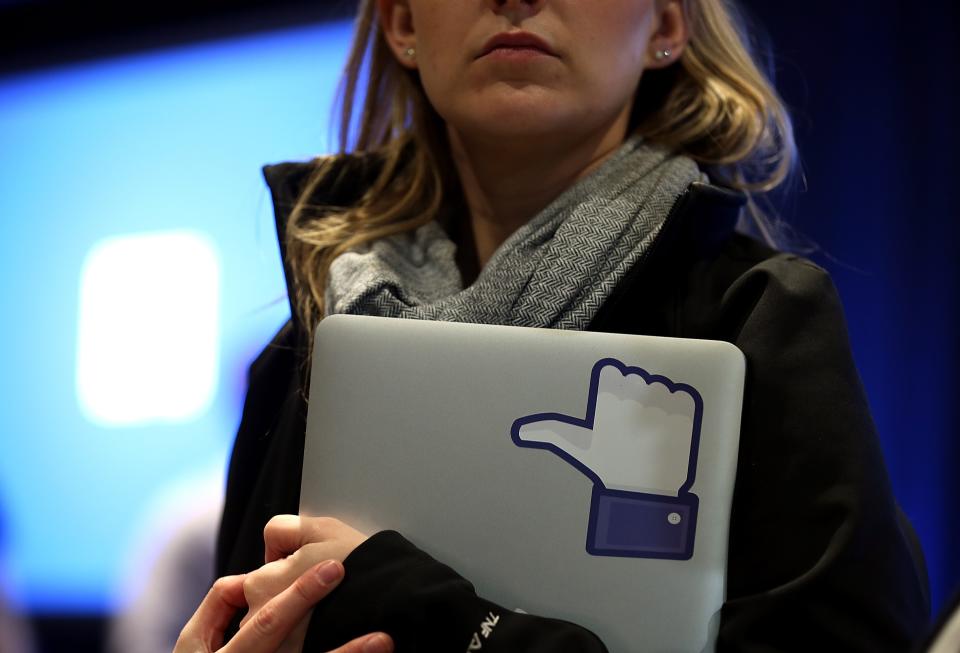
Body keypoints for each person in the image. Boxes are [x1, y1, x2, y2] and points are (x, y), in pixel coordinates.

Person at [185, 0, 932, 650]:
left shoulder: (757, 320)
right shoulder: (299, 353)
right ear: (403, 22)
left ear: (665, 25)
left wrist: (435, 618)